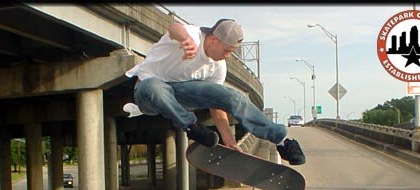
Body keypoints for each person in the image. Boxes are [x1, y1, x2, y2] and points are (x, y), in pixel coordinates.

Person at [124, 18, 305, 165]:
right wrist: (185, 40)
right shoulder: (193, 37)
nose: (227, 55)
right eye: (226, 50)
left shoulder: (218, 67)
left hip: (179, 94)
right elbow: (173, 27)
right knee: (155, 86)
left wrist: (229, 140)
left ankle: (281, 141)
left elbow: (217, 106)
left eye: (231, 52)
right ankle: (192, 127)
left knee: (231, 96)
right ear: (212, 39)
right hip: (147, 94)